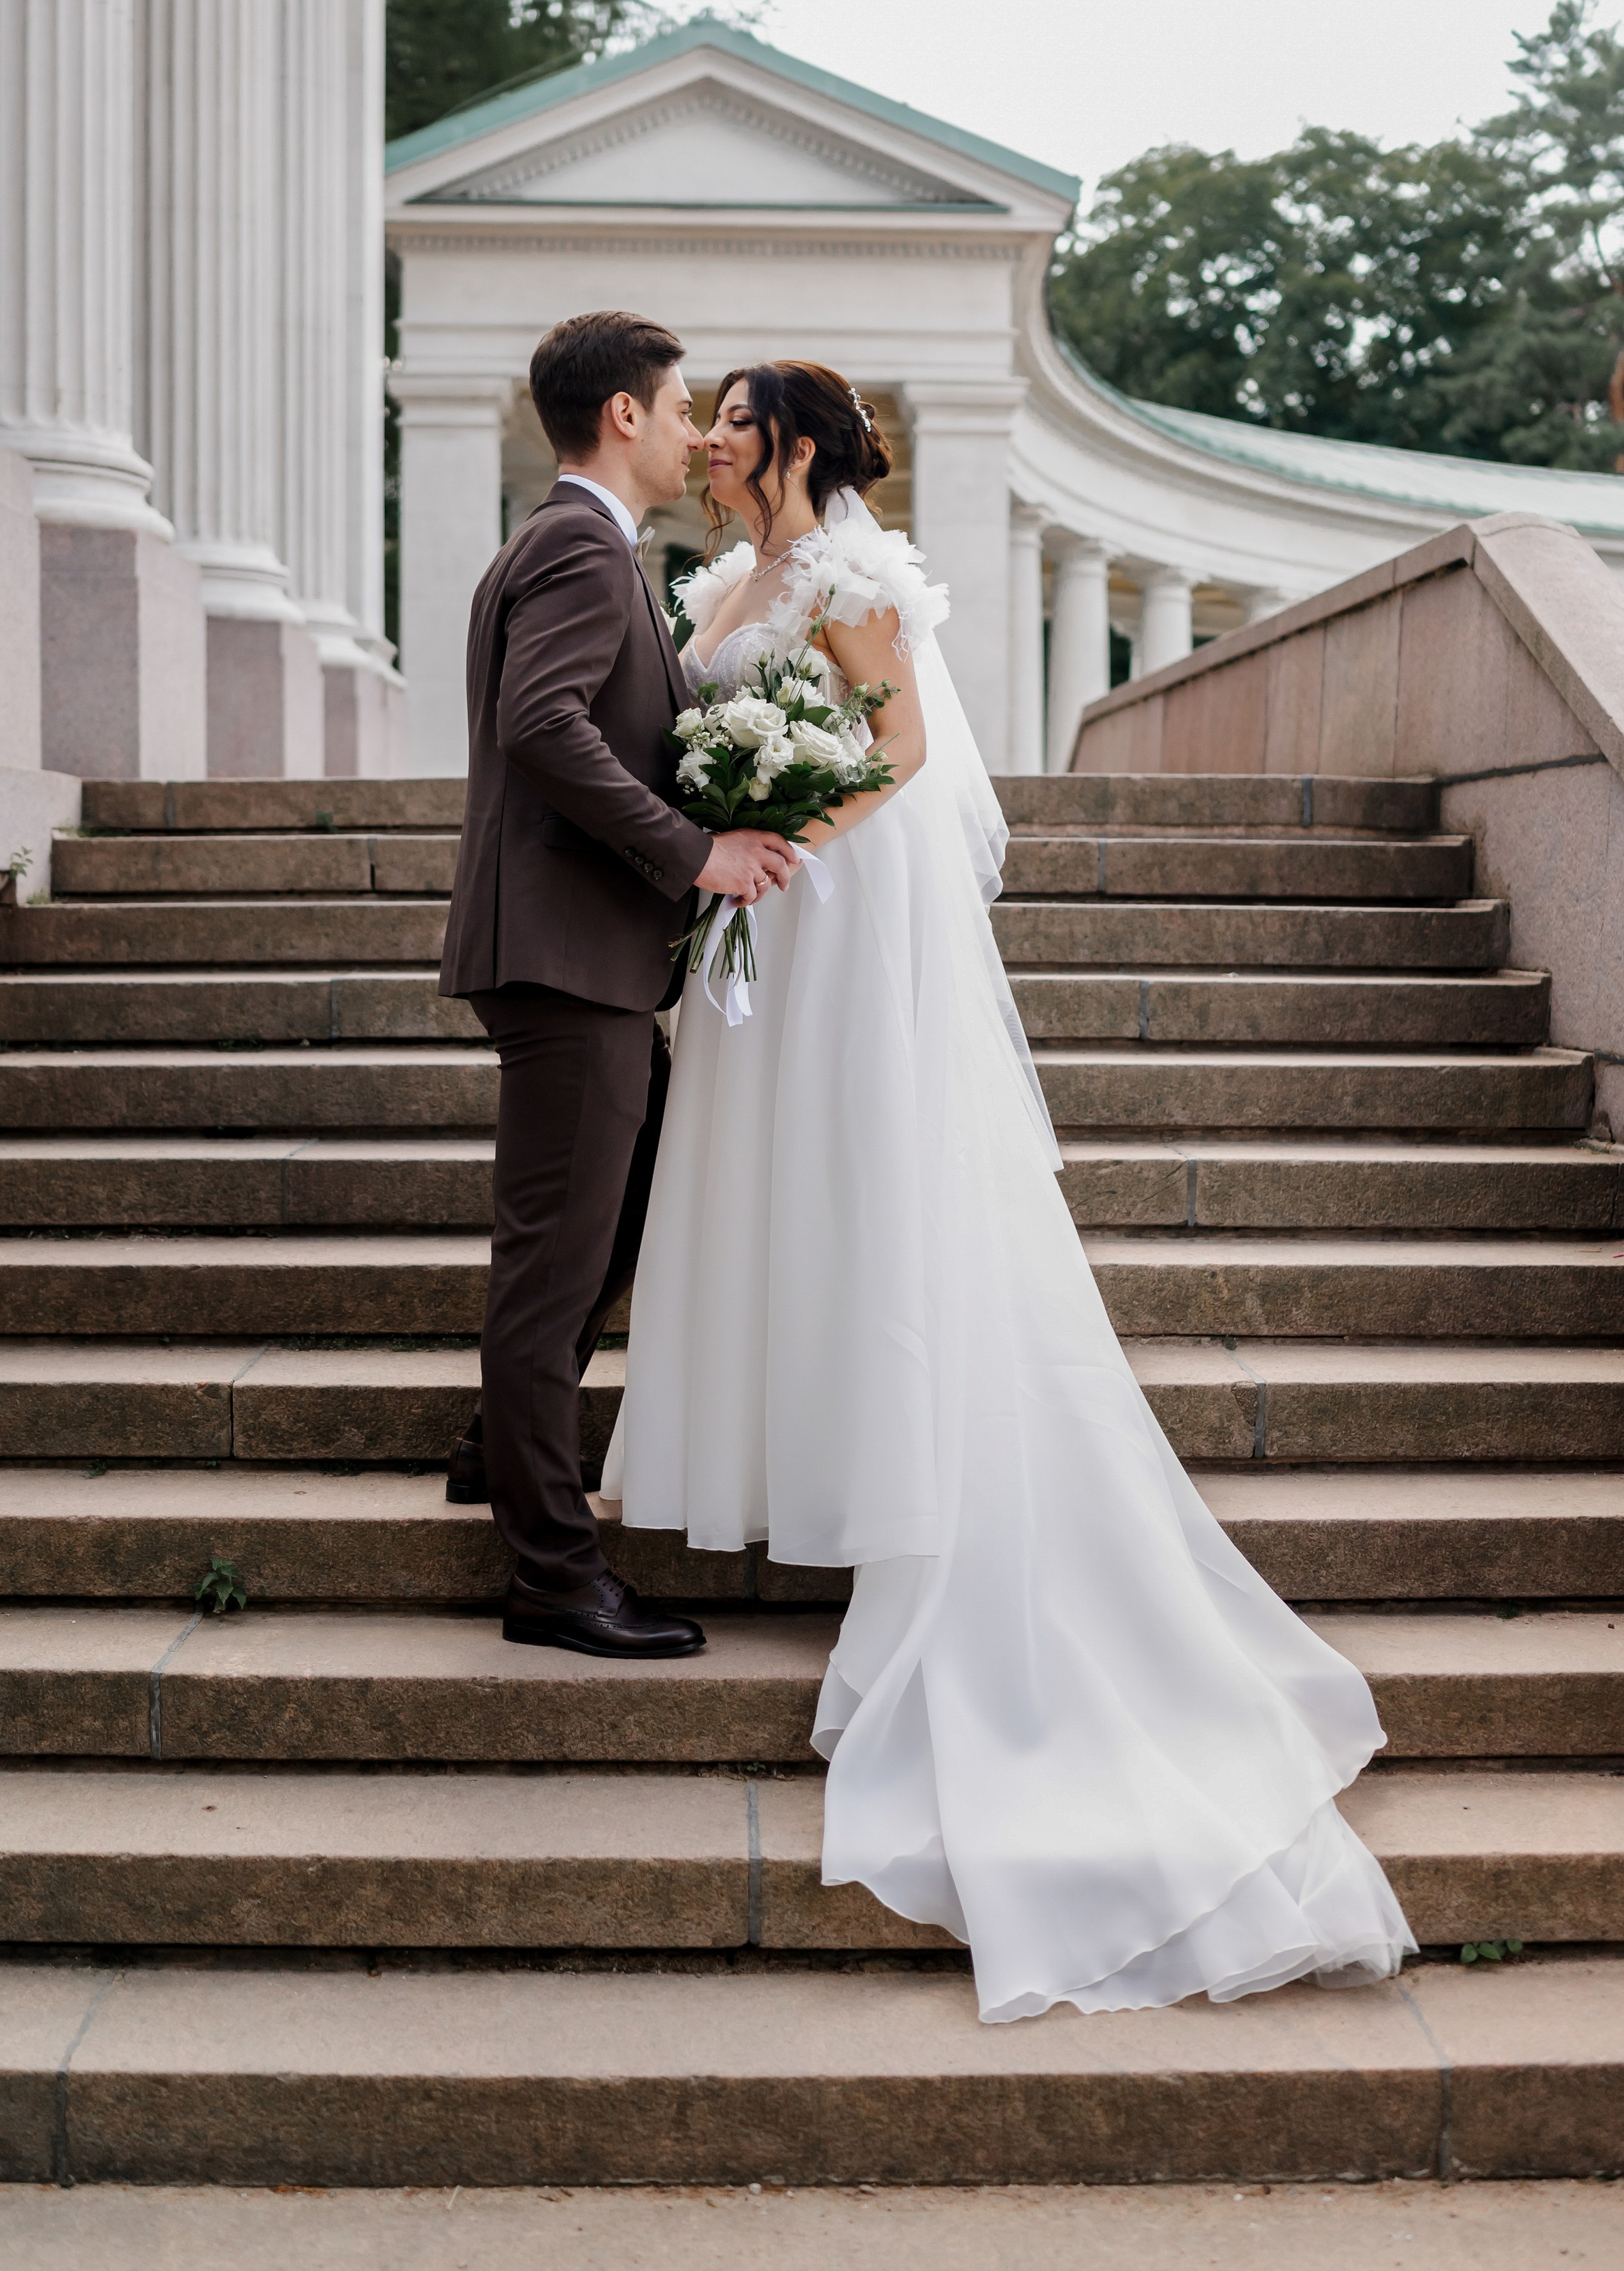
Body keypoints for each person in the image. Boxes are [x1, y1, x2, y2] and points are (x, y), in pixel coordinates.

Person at [603, 358, 1416, 2020]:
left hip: (832, 917)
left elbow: (899, 752)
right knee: (769, 1200)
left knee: (859, 1194)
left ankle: (900, 1477)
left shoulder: (846, 570)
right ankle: (797, 1456)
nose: (706, 442)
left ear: (798, 444)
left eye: (731, 420)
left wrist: (777, 833)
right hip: (756, 922)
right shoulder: (718, 582)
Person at [437, 310, 796, 1660]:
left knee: (623, 1216)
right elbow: (541, 728)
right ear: (626, 416)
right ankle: (551, 1577)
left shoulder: (572, 542)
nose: (699, 422)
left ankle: (496, 1450)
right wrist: (691, 850)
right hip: (562, 959)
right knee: (550, 1272)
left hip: (573, 956)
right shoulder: (582, 547)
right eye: (681, 398)